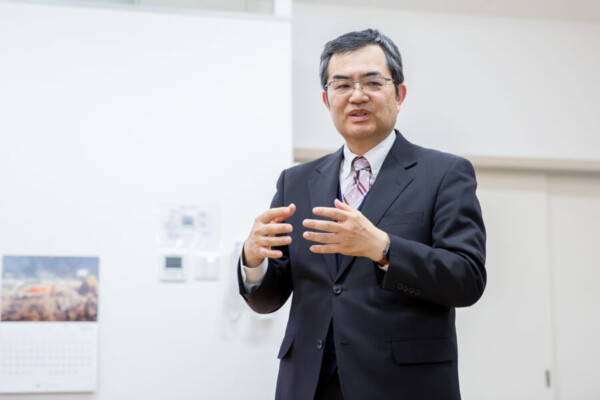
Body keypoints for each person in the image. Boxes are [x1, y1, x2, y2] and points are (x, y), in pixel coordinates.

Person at [237, 28, 486, 400]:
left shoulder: (445, 174)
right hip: (309, 384)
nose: (357, 95)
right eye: (342, 85)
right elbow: (267, 298)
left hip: (402, 386)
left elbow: (466, 279)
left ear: (399, 94)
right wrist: (252, 258)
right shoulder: (296, 182)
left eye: (372, 82)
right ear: (327, 100)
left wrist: (383, 249)